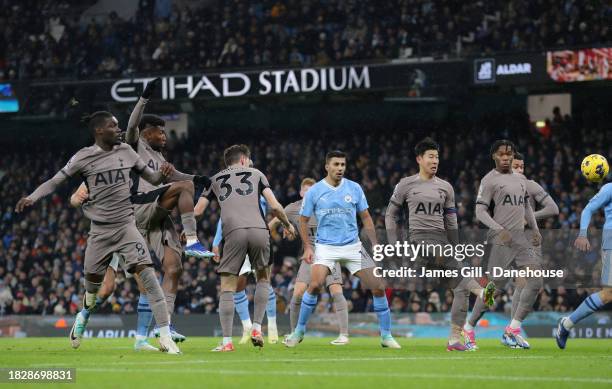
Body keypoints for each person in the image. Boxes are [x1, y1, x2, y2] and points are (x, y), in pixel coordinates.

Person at [15, 111, 180, 354]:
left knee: (148, 276)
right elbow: (55, 181)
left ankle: (164, 335)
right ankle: (84, 313)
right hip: (100, 232)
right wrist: (32, 197)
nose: (119, 130)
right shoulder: (84, 157)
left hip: (127, 227)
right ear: (99, 131)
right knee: (95, 289)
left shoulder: (126, 151)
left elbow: (152, 178)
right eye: (114, 126)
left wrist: (162, 174)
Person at [385, 138, 495, 351]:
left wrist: (457, 248)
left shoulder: (446, 187)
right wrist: (392, 243)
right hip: (419, 241)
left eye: (437, 157)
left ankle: (454, 340)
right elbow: (391, 214)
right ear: (419, 159)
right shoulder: (406, 184)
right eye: (431, 157)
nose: (435, 161)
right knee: (452, 264)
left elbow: (451, 222)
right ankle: (481, 293)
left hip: (443, 244)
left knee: (461, 289)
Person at [284, 150, 400, 349]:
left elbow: (365, 217)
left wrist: (375, 243)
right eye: (336, 165)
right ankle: (299, 331)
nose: (340, 168)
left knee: (379, 286)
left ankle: (386, 336)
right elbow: (302, 221)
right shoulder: (315, 191)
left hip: (352, 246)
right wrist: (308, 247)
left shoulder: (354, 188)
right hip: (325, 247)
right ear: (327, 166)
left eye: (343, 165)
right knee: (314, 285)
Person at [195, 144, 295, 352]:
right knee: (263, 279)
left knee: (228, 288)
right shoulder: (257, 174)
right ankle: (257, 327)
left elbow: (197, 211)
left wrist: (186, 231)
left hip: (234, 233)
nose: (250, 163)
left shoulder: (214, 179)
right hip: (260, 230)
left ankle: (227, 342)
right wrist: (287, 224)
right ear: (242, 160)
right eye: (248, 159)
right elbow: (275, 206)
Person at [463, 140, 541, 350]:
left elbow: (526, 206)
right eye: (501, 154)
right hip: (500, 240)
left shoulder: (521, 179)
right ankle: (469, 328)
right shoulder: (489, 180)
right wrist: (499, 229)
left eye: (509, 154)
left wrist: (534, 229)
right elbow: (480, 212)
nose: (506, 158)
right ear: (494, 157)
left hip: (520, 240)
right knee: (493, 292)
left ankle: (512, 330)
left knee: (535, 281)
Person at [270, 178, 349, 346]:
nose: (310, 194)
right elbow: (273, 223)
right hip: (309, 255)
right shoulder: (293, 208)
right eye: (306, 191)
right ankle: (294, 333)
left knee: (336, 291)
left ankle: (344, 334)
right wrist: (287, 227)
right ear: (301, 193)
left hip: (329, 253)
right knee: (297, 293)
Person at [211, 192, 279, 344]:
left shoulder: (259, 191)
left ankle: (272, 326)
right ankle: (247, 327)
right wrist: (216, 242)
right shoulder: (229, 195)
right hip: (239, 241)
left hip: (257, 238)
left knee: (264, 281)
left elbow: (275, 210)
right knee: (237, 286)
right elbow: (224, 219)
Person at [556, 181, 612, 349]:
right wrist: (582, 233)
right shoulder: (609, 188)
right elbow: (588, 209)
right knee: (609, 294)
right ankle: (566, 324)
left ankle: (566, 324)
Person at [510, 152, 559, 334]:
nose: (520, 170)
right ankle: (512, 330)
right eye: (516, 166)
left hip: (530, 238)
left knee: (526, 283)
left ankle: (512, 330)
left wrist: (529, 218)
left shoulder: (530, 185)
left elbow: (553, 209)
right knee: (522, 283)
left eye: (522, 166)